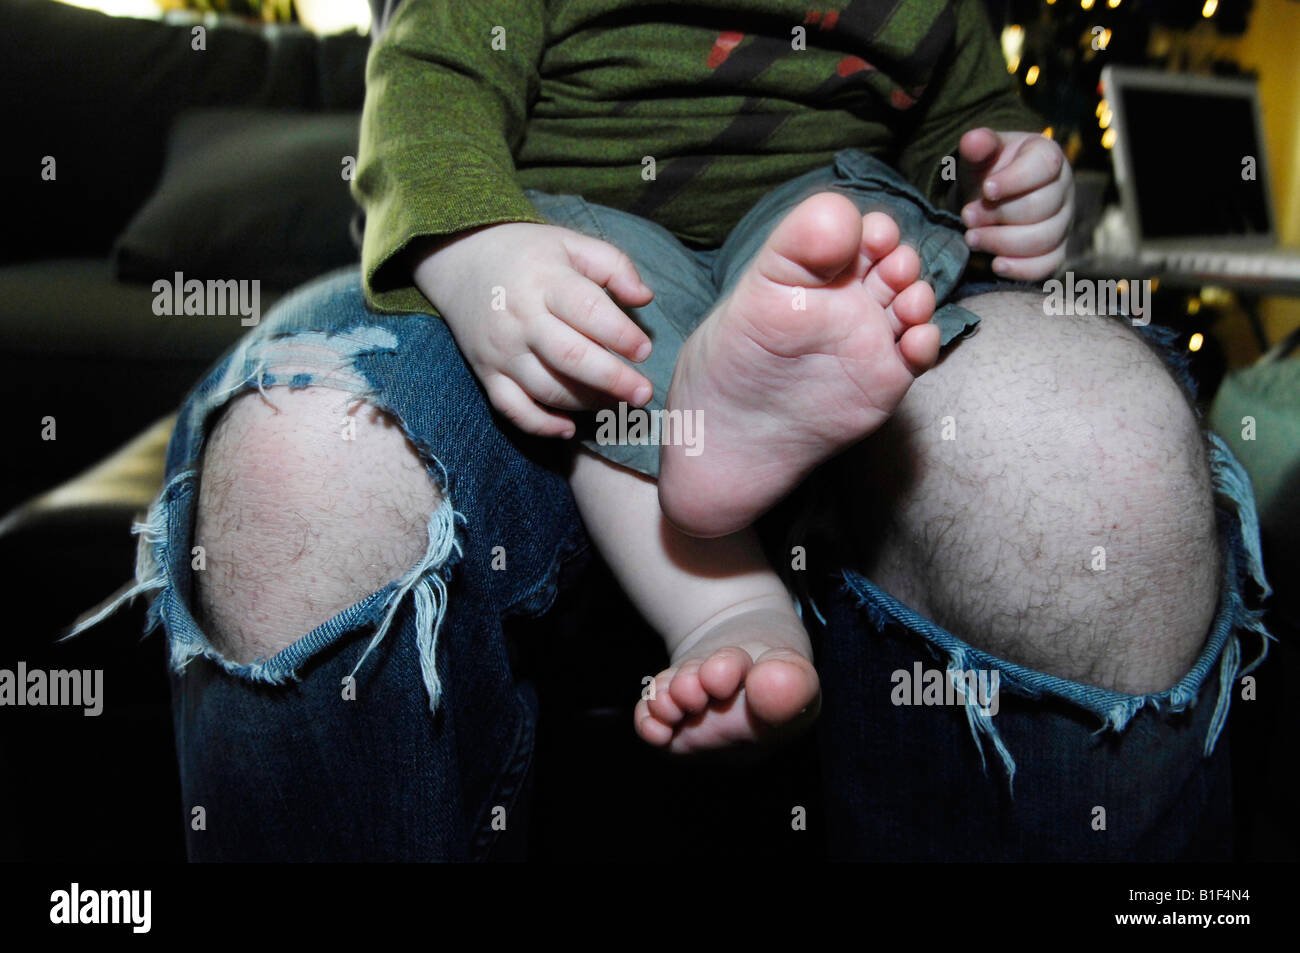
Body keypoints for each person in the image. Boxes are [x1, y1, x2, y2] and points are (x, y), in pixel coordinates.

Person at [88, 0, 1268, 859]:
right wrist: (475, 246)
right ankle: (723, 576)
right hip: (578, 217)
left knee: (863, 253)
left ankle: (744, 428)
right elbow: (429, 93)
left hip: (822, 228)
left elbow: (963, 134)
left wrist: (1013, 186)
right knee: (598, 332)